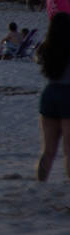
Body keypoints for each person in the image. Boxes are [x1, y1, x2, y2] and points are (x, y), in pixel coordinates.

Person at [38, 12, 70, 182]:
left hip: (50, 93)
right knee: (68, 149)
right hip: (68, 94)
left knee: (48, 150)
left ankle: (41, 181)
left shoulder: (46, 47)